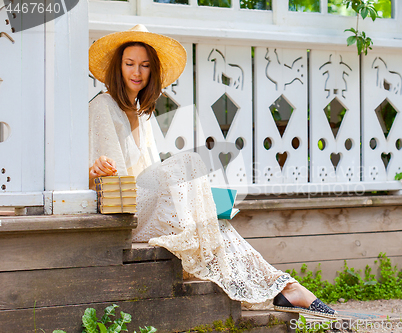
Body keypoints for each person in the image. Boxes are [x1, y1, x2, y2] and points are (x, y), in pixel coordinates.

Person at [88, 24, 337, 319]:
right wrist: (97, 169)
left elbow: (152, 170)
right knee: (189, 164)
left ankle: (286, 287)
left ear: (152, 71)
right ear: (118, 67)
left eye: (144, 65)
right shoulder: (103, 105)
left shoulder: (143, 112)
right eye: (129, 64)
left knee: (217, 226)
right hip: (127, 210)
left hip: (151, 203)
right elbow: (106, 177)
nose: (137, 72)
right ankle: (278, 286)